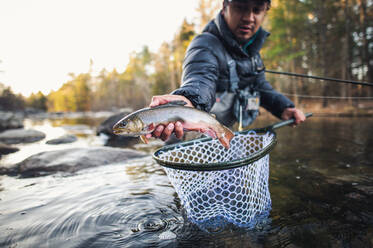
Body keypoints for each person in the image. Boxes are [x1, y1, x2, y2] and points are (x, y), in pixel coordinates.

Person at [147, 0, 306, 142]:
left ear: (264, 13)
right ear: (225, 7)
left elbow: (260, 87)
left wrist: (284, 108)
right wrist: (190, 100)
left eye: (257, 10)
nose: (249, 17)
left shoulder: (253, 54)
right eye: (241, 7)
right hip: (188, 139)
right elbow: (200, 78)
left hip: (219, 136)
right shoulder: (204, 44)